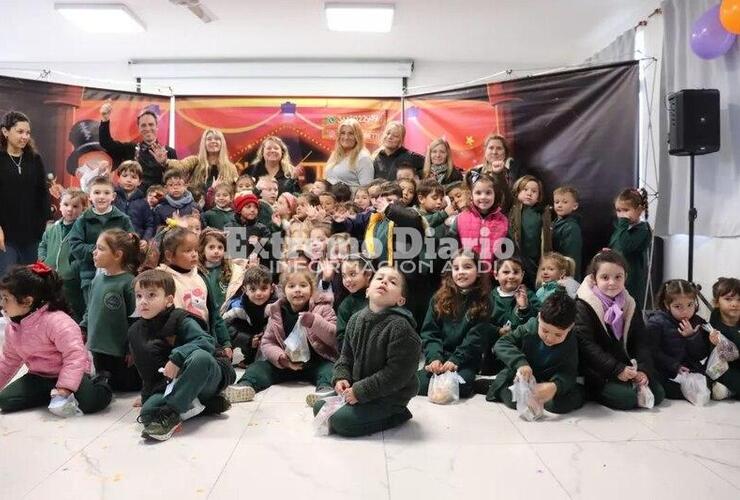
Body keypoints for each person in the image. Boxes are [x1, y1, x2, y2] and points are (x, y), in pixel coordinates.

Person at [313, 265, 421, 437]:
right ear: (368, 291)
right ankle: (354, 407)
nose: (384, 281)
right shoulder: (356, 319)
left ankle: (398, 414)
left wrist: (361, 391)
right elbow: (345, 357)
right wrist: (342, 377)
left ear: (400, 300)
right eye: (379, 278)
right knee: (320, 407)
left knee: (343, 422)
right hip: (358, 387)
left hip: (389, 397)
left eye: (392, 282)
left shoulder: (401, 327)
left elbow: (396, 373)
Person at [128, 269, 234, 441]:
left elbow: (206, 342)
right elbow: (147, 372)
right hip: (172, 384)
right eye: (139, 296)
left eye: (151, 295)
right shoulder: (135, 331)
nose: (143, 302)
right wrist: (146, 396)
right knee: (148, 414)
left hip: (207, 374)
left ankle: (171, 415)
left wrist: (177, 357)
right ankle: (206, 405)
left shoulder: (181, 319)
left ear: (169, 300)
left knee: (200, 357)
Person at [0, 263, 112, 414]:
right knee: (5, 401)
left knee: (89, 402)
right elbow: (8, 361)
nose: (1, 304)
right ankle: (52, 394)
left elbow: (75, 356)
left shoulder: (57, 321)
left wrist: (65, 387)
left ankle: (101, 382)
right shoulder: (12, 327)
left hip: (72, 372)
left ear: (27, 301)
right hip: (39, 376)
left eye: (6, 299)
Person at [226, 269, 337, 405]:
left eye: (303, 285)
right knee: (258, 367)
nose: (297, 290)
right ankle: (245, 385)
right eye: (291, 286)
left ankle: (325, 390)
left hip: (317, 362)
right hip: (286, 364)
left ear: (312, 289)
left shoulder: (323, 308)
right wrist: (282, 359)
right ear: (284, 291)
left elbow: (334, 337)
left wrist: (315, 321)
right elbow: (267, 343)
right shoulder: (277, 311)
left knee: (330, 370)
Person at [573, 249, 665, 410]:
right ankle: (594, 392)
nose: (612, 282)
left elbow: (641, 340)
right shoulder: (583, 304)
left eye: (618, 277)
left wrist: (643, 370)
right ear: (595, 279)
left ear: (625, 277)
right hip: (599, 371)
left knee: (658, 394)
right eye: (605, 277)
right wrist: (616, 369)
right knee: (627, 399)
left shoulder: (629, 303)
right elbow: (586, 345)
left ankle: (630, 382)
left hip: (626, 366)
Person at [332, 181, 428, 326]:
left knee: (402, 322)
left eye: (391, 200)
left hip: (403, 281)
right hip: (378, 278)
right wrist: (339, 221)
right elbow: (352, 224)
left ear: (401, 201)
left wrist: (389, 208)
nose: (386, 204)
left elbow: (413, 221)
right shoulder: (374, 217)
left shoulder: (408, 215)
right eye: (384, 200)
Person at [486, 291, 585, 414]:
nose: (550, 338)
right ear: (539, 317)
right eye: (545, 330)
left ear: (570, 327)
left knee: (559, 405)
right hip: (523, 379)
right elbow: (501, 344)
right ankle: (499, 389)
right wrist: (521, 363)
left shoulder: (571, 341)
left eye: (558, 334)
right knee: (514, 400)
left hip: (549, 380)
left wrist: (555, 386)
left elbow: (569, 371)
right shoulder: (530, 327)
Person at [418, 250, 492, 399]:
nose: (461, 272)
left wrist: (455, 360)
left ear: (478, 272)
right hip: (440, 357)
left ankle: (474, 382)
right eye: (456, 268)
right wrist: (434, 358)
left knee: (461, 386)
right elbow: (429, 332)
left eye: (467, 267)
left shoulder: (484, 301)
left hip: (464, 361)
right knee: (415, 383)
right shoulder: (438, 298)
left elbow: (475, 339)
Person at [154, 225, 232, 357]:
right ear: (169, 255)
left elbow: (214, 313)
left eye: (196, 250)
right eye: (188, 250)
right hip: (177, 348)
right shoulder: (161, 278)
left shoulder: (201, 276)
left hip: (205, 342)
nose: (194, 254)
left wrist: (225, 342)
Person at [82, 229, 141, 392]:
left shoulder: (129, 283)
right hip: (98, 347)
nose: (94, 252)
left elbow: (136, 320)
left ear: (117, 255)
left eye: (100, 249)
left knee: (124, 386)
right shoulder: (97, 280)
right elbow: (90, 308)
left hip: (119, 350)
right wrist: (83, 327)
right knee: (103, 382)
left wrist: (132, 348)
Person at [646, 280, 717, 401]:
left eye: (690, 305)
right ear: (667, 305)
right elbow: (652, 352)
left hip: (690, 370)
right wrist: (675, 366)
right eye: (678, 306)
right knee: (668, 389)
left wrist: (691, 336)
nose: (685, 311)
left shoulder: (698, 322)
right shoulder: (657, 322)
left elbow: (701, 354)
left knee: (706, 383)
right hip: (666, 370)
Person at [68, 175, 134, 305]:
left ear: (113, 197)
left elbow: (130, 243)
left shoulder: (123, 219)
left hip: (118, 275)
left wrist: (137, 243)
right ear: (89, 196)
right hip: (89, 274)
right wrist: (101, 251)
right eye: (97, 192)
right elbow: (75, 246)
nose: (101, 196)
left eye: (106, 193)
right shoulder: (83, 220)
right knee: (93, 310)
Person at [0, 111, 52, 276]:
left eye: (27, 132)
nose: (25, 136)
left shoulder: (35, 159)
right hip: (5, 237)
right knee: (7, 282)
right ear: (5, 131)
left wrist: (43, 227)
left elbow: (42, 194)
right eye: (20, 131)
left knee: (29, 284)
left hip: (33, 237)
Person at [99, 100, 177, 192]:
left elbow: (175, 179)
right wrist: (105, 119)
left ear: (157, 127)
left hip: (160, 201)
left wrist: (164, 163)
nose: (147, 128)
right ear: (139, 128)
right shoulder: (130, 149)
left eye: (151, 124)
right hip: (135, 201)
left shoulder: (169, 152)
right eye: (143, 125)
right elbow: (106, 143)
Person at [38, 188, 87, 322]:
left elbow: (84, 251)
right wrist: (43, 260)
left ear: (83, 208)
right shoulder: (52, 227)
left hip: (71, 280)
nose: (70, 209)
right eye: (66, 204)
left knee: (73, 310)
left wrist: (74, 267)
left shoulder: (83, 229)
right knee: (53, 309)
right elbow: (43, 245)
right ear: (60, 206)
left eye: (75, 206)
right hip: (51, 277)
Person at [448, 173, 508, 273]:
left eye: (488, 193)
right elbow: (450, 246)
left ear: (495, 194)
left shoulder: (502, 221)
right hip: (466, 273)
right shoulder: (461, 218)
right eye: (478, 193)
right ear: (471, 195)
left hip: (491, 275)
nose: (483, 197)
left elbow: (505, 251)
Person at [222, 265, 278, 368]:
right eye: (253, 289)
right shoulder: (238, 307)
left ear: (272, 288)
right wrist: (248, 340)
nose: (258, 293)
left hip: (272, 345)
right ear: (244, 289)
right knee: (231, 326)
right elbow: (221, 326)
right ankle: (248, 357)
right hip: (250, 337)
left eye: (264, 288)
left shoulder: (278, 306)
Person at [165, 129, 239, 204]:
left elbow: (237, 190)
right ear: (204, 143)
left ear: (222, 143)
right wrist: (165, 161)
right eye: (209, 139)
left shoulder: (231, 168)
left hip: (222, 210)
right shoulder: (195, 161)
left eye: (217, 139)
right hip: (196, 208)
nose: (213, 141)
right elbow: (180, 166)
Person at [609, 188, 651, 310]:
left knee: (630, 311)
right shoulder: (622, 228)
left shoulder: (642, 230)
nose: (622, 215)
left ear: (639, 210)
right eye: (618, 210)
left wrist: (622, 224)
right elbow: (616, 245)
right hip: (617, 276)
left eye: (626, 210)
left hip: (632, 280)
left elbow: (625, 246)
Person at [509, 175, 552, 289]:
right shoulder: (513, 210)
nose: (529, 193)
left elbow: (546, 240)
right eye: (525, 189)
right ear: (517, 192)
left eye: (534, 191)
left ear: (538, 197)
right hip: (516, 258)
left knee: (533, 288)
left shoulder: (541, 213)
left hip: (535, 261)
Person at [709, 277, 740, 400]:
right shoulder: (714, 322)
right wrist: (714, 344)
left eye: (739, 300)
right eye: (728, 299)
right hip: (725, 369)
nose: (735, 304)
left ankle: (729, 392)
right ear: (717, 302)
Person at [335, 254, 374, 350]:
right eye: (344, 276)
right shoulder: (346, 305)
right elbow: (341, 339)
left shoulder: (380, 295)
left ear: (368, 274)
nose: (347, 280)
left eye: (352, 274)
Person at [324, 118, 374, 190]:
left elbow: (366, 189)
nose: (346, 137)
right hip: (329, 199)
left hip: (349, 200)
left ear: (357, 136)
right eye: (343, 133)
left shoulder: (363, 158)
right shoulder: (335, 154)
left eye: (351, 134)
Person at [113, 160, 156, 240]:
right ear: (118, 178)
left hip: (135, 243)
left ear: (139, 182)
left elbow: (149, 225)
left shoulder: (143, 203)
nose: (129, 180)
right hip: (114, 241)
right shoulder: (112, 197)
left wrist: (145, 240)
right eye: (125, 176)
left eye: (133, 177)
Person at [551, 186, 583, 279]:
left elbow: (571, 258)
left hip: (566, 276)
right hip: (554, 269)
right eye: (557, 202)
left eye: (565, 202)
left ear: (575, 206)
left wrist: (568, 277)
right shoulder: (554, 223)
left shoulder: (572, 227)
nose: (559, 205)